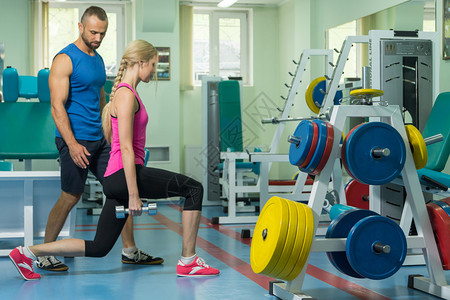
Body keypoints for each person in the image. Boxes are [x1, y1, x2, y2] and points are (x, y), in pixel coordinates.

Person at [9, 39, 220, 280]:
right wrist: (133, 194)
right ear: (140, 62)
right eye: (152, 64)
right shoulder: (126, 95)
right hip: (124, 175)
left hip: (115, 177)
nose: (154, 70)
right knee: (194, 189)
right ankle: (188, 262)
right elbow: (126, 149)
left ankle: (26, 252)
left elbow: (115, 143)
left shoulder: (123, 93)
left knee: (99, 247)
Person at [39, 6, 161, 272]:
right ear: (80, 27)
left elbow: (103, 99)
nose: (97, 37)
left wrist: (109, 133)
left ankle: (130, 251)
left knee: (120, 189)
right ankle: (45, 252)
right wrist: (71, 144)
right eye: (93, 31)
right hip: (74, 140)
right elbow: (57, 107)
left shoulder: (96, 59)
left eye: (102, 33)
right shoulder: (64, 59)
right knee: (71, 196)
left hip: (98, 139)